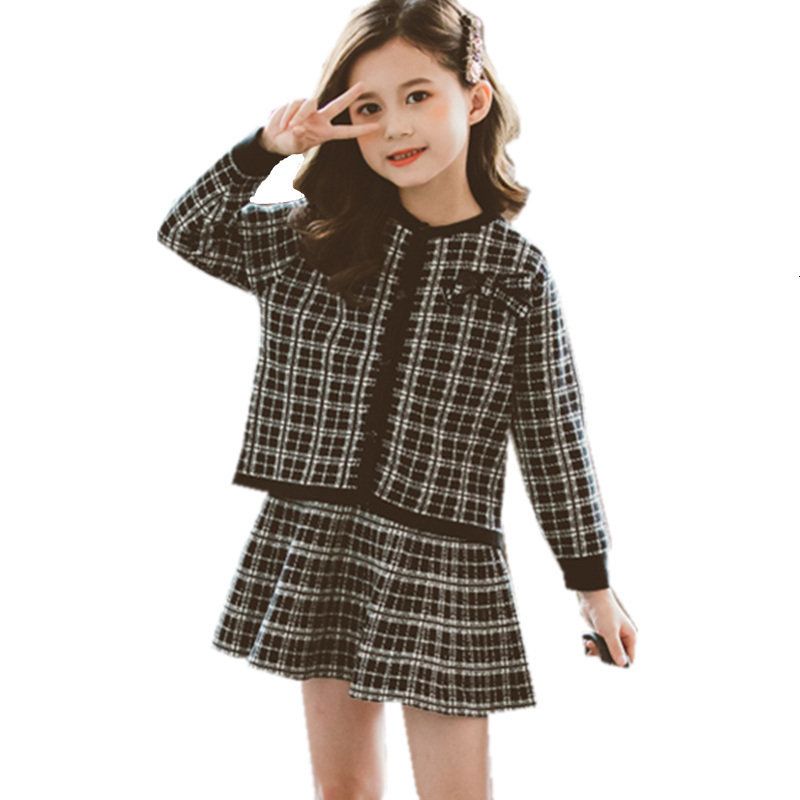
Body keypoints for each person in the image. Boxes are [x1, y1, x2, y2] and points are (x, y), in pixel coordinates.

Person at [156, 1, 638, 797]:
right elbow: (188, 231)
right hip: (325, 538)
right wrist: (265, 149)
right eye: (368, 108)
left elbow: (553, 433)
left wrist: (592, 586)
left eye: (418, 95)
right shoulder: (311, 241)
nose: (395, 127)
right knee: (344, 792)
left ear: (473, 99)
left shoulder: (515, 275)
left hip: (444, 554)